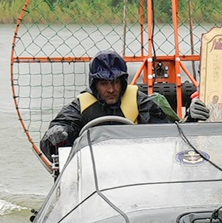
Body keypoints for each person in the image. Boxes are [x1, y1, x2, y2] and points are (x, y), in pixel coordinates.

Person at [41, 51, 197, 167]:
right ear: (94, 84)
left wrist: (191, 121)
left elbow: (167, 139)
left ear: (123, 82)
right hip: (93, 173)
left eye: (115, 82)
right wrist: (57, 134)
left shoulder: (141, 102)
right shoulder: (79, 106)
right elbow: (57, 138)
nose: (111, 89)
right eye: (104, 83)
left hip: (135, 170)